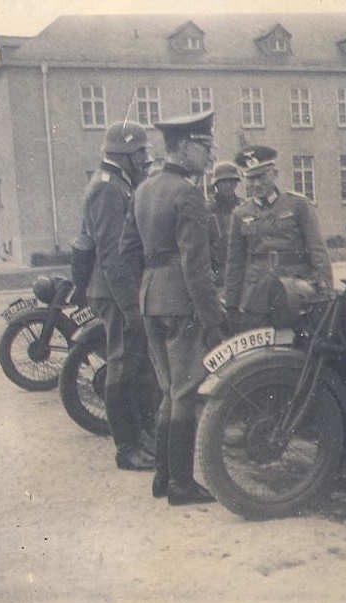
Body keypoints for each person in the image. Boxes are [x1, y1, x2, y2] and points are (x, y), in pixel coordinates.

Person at [119, 110, 226, 505]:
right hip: (181, 300)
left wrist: (147, 287)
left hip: (151, 298)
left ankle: (164, 476)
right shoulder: (187, 194)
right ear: (182, 148)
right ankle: (181, 483)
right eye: (205, 147)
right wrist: (212, 318)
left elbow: (127, 251)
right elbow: (195, 264)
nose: (210, 156)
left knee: (169, 390)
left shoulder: (144, 189)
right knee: (185, 391)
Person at [71, 121, 157, 471]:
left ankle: (139, 438)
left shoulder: (117, 183)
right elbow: (112, 255)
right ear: (127, 154)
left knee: (134, 365)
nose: (145, 159)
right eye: (141, 153)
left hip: (116, 288)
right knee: (122, 367)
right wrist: (130, 305)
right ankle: (127, 448)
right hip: (114, 290)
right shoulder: (108, 189)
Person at [224, 145, 333, 331]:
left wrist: (325, 290)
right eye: (251, 178)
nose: (256, 184)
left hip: (295, 288)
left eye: (261, 177)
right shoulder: (241, 213)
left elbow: (317, 250)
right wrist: (231, 303)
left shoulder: (298, 205)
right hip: (256, 292)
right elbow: (235, 261)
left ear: (274, 174)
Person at [205, 161, 242, 289]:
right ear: (216, 184)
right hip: (218, 270)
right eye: (224, 182)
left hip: (241, 269)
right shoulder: (207, 210)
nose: (229, 185)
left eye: (232, 181)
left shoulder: (243, 208)